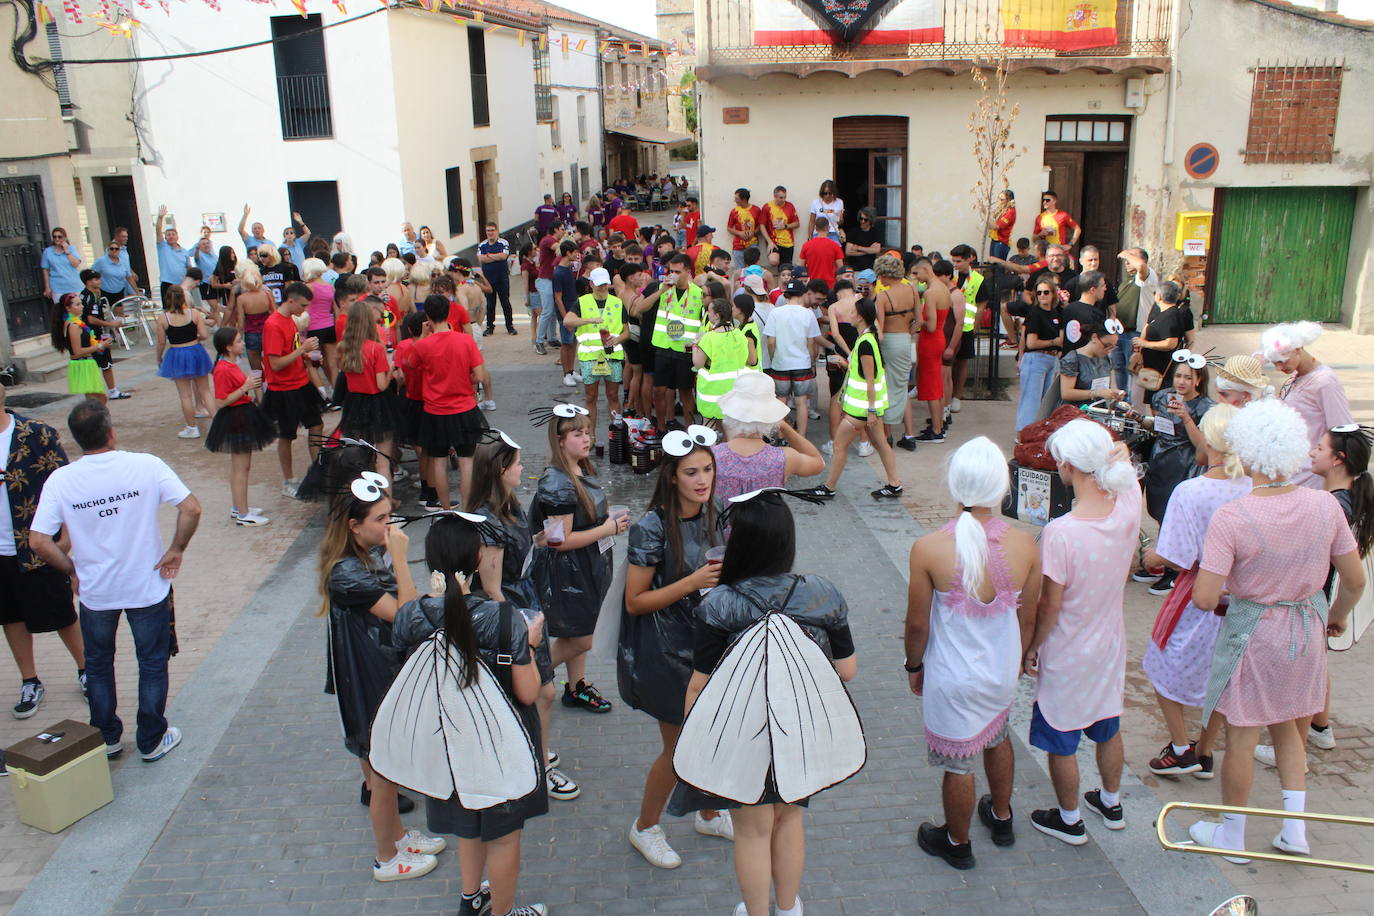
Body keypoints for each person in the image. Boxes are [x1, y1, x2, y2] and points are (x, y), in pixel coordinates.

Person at [1189, 399, 1365, 862]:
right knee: (1290, 730)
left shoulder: (1232, 516)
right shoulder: (1325, 506)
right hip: (1305, 629)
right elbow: (1355, 580)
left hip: (1255, 634)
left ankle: (1232, 835)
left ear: (1246, 453)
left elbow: (1205, 598)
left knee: (1243, 737)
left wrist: (1234, 591)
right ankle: (1295, 831)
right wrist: (1335, 615)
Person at [670, 489, 857, 916]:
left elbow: (700, 685)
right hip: (801, 729)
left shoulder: (718, 604)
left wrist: (695, 747)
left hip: (742, 735)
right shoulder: (823, 593)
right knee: (790, 818)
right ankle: (789, 908)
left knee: (752, 831)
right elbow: (846, 671)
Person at [388, 514, 547, 916]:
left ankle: (471, 898)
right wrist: (530, 645)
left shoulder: (414, 616)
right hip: (500, 747)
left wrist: (399, 562)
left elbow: (409, 621)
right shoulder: (504, 618)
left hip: (448, 747)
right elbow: (528, 693)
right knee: (505, 838)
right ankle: (505, 911)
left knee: (468, 827)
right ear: (479, 558)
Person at [30, 401, 201, 762]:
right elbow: (191, 508)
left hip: (96, 593)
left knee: (98, 664)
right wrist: (177, 549)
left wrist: (72, 570)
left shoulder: (61, 480)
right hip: (147, 586)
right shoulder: (145, 465)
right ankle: (152, 738)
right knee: (152, 663)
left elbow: (39, 541)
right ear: (111, 432)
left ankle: (106, 736)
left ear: (76, 439)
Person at [906, 437, 1040, 869]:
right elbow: (1028, 618)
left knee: (958, 763)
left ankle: (958, 843)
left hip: (951, 676)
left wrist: (913, 665)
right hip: (1001, 671)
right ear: (1003, 487)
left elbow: (917, 625)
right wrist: (1021, 660)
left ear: (954, 484)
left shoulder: (928, 548)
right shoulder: (1025, 545)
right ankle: (1002, 818)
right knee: (998, 737)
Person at [317, 474, 445, 881]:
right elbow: (405, 617)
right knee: (383, 772)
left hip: (381, 670)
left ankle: (399, 835)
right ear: (354, 526)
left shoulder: (368, 555)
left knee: (387, 768)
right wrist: (404, 559)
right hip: (368, 678)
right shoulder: (346, 573)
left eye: (390, 516)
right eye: (380, 519)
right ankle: (386, 857)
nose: (390, 527)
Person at [1024, 419, 1141, 845]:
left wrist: (1033, 645)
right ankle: (1111, 801)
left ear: (1069, 466)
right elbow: (1123, 455)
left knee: (1062, 736)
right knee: (1108, 725)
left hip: (1069, 650)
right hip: (1109, 642)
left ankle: (1069, 818)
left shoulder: (1062, 532)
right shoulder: (1129, 504)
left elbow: (1049, 604)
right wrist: (1111, 449)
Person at [621, 435, 733, 869]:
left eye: (707, 469)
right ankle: (645, 826)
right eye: (691, 472)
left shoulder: (716, 511)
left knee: (709, 737)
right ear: (671, 476)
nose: (703, 480)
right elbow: (634, 601)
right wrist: (693, 582)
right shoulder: (651, 526)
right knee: (678, 749)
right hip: (666, 652)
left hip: (708, 645)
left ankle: (707, 813)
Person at [465, 434, 579, 802]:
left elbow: (517, 552)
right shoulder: (489, 519)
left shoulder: (504, 506)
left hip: (524, 602)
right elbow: (494, 587)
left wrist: (541, 538)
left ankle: (534, 754)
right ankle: (539, 768)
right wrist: (522, 631)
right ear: (501, 469)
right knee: (541, 691)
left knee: (539, 691)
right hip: (515, 610)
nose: (521, 467)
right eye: (516, 463)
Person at [1139, 405, 1248, 780]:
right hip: (1240, 596)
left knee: (1160, 664)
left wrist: (1152, 554)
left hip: (1197, 591)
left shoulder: (1192, 491)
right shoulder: (1252, 486)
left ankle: (1181, 747)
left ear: (1212, 442)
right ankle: (1205, 749)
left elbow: (1176, 554)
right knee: (1221, 675)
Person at [528, 405, 627, 714]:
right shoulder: (557, 483)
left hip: (588, 566)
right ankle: (526, 675)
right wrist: (607, 528)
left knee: (579, 631)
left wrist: (604, 520)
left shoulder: (580, 468)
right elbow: (559, 542)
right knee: (585, 637)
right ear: (560, 440)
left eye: (587, 432)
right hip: (568, 572)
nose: (586, 439)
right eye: (577, 434)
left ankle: (575, 686)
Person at [0, 384, 84, 720]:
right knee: (10, 618)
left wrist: (66, 534)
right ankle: (30, 680)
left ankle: (86, 670)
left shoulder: (34, 434)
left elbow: (63, 483)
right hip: (1, 552)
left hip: (36, 545)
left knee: (62, 612)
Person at [809, 297, 903, 501]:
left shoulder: (865, 343)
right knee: (881, 445)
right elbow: (865, 374)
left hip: (861, 411)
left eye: (852, 312)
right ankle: (894, 484)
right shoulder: (867, 339)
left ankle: (829, 487)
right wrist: (845, 363)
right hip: (869, 409)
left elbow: (869, 380)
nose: (849, 315)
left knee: (839, 446)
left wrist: (869, 411)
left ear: (860, 316)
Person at [405, 294, 489, 511]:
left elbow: (410, 364)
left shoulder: (424, 345)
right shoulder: (465, 340)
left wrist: (422, 336)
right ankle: (468, 508)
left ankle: (445, 508)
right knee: (466, 462)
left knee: (439, 461)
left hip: (435, 410)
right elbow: (479, 376)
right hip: (464, 407)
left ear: (428, 317)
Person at [1261, 321, 1354, 488]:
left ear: (1298, 349)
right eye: (1274, 363)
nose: (1279, 368)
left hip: (1310, 474)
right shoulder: (1296, 377)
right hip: (1291, 468)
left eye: (1282, 361)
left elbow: (1342, 428)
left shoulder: (1325, 382)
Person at [712, 370, 824, 502]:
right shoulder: (784, 458)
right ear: (771, 416)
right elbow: (818, 462)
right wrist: (784, 426)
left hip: (723, 522)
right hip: (769, 521)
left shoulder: (712, 456)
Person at [205, 327, 274, 526]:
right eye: (238, 342)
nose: (242, 344)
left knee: (240, 466)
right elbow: (221, 401)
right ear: (228, 347)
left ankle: (239, 507)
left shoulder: (230, 364)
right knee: (241, 468)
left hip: (241, 414)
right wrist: (245, 387)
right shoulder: (223, 368)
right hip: (236, 417)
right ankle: (243, 514)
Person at [262, 281, 324, 496]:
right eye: (303, 306)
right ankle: (288, 480)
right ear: (291, 301)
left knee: (316, 424)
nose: (305, 310)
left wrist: (304, 354)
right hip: (283, 389)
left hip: (300, 383)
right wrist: (302, 350)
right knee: (287, 435)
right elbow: (275, 363)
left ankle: (317, 471)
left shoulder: (289, 320)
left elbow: (290, 350)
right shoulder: (274, 324)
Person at [1142, 357, 1213, 543]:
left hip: (1185, 466)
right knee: (1159, 510)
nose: (1181, 381)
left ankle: (1176, 564)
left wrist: (1186, 418)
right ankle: (1163, 559)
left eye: (1188, 378)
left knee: (1180, 517)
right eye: (1178, 376)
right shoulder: (1161, 397)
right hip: (1160, 462)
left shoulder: (1206, 407)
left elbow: (1202, 446)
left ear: (1199, 380)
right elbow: (1159, 427)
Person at [565, 268, 627, 452]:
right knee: (591, 397)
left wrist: (618, 339)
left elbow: (626, 331)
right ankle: (590, 437)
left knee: (613, 396)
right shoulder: (582, 302)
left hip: (612, 356)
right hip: (590, 357)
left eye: (605, 284)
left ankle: (617, 434)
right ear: (590, 284)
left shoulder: (617, 303)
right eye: (598, 284)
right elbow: (568, 321)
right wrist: (589, 320)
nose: (602, 287)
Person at [337, 299, 397, 479]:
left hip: (354, 402)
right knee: (383, 459)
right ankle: (385, 503)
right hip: (378, 404)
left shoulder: (344, 348)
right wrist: (391, 369)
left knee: (362, 456)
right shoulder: (375, 348)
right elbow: (381, 385)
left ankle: (367, 502)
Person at [652, 254, 705, 430]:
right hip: (664, 345)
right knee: (659, 390)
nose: (673, 274)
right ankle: (661, 428)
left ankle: (691, 429)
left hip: (686, 349)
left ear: (687, 272)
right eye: (671, 270)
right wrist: (662, 289)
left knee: (685, 392)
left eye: (677, 271)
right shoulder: (664, 288)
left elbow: (703, 324)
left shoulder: (698, 294)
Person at [764, 279, 821, 438]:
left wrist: (773, 356)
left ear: (786, 295)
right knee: (802, 402)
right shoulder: (808, 313)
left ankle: (781, 436)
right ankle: (801, 437)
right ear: (803, 294)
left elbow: (770, 340)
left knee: (781, 400)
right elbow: (811, 342)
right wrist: (812, 361)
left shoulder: (775, 312)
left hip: (780, 363)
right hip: (802, 363)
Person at [156, 286, 215, 440]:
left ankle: (191, 427)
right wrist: (195, 337)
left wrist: (159, 357)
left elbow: (161, 342)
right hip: (196, 351)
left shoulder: (163, 318)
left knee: (185, 395)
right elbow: (204, 334)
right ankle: (217, 424)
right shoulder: (194, 314)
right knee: (205, 391)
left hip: (176, 353)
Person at [694, 298, 754, 425]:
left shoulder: (709, 338)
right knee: (729, 432)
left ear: (716, 315)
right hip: (734, 394)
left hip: (712, 394)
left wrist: (695, 346)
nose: (707, 313)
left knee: (709, 430)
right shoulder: (739, 335)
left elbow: (698, 364)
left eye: (709, 311)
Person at [1043, 321, 1120, 419]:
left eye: (1113, 347)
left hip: (1099, 413)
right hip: (1075, 415)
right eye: (1106, 345)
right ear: (1094, 338)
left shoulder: (1106, 358)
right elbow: (1066, 393)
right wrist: (1097, 393)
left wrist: (1115, 394)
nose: (1109, 350)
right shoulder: (1073, 358)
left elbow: (1111, 386)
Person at [1015, 277, 1062, 432]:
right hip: (1036, 358)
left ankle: (1039, 433)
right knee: (1031, 401)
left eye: (1046, 292)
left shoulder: (1056, 313)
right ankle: (1024, 434)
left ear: (1053, 294)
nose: (1042, 295)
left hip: (1051, 359)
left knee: (1046, 402)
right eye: (1039, 292)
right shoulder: (1035, 313)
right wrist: (1054, 342)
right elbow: (1031, 342)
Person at [78, 270, 131, 401]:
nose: (99, 281)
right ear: (89, 282)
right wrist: (110, 324)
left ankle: (110, 390)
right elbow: (90, 319)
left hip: (97, 333)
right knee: (102, 362)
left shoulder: (92, 295)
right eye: (96, 279)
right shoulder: (89, 296)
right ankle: (107, 392)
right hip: (94, 334)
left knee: (104, 362)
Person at [1131, 280, 1188, 402]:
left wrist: (1145, 344)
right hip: (1153, 367)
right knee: (1153, 402)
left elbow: (1170, 343)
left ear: (1160, 296)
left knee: (1160, 403)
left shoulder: (1171, 316)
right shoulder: (1161, 312)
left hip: (1163, 369)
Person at [50, 293, 111, 403]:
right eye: (77, 304)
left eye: (81, 304)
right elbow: (77, 351)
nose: (82, 307)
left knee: (95, 399)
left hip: (86, 363)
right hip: (83, 364)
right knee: (99, 399)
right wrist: (100, 346)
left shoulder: (75, 323)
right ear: (68, 308)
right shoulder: (73, 326)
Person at [478, 223, 517, 336]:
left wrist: (489, 256)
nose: (490, 233)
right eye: (488, 230)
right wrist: (495, 256)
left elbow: (503, 256)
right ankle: (490, 327)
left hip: (502, 278)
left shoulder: (503, 242)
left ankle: (510, 326)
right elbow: (481, 258)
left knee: (505, 302)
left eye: (492, 230)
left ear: (497, 231)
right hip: (488, 280)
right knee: (490, 304)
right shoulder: (482, 244)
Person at [153, 207, 191, 300]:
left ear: (177, 236)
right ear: (165, 237)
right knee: (169, 310)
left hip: (181, 285)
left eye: (173, 234)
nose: (171, 236)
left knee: (183, 309)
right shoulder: (163, 247)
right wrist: (160, 217)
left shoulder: (184, 251)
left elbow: (188, 268)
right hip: (167, 284)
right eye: (168, 234)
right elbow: (158, 230)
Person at [40, 226, 84, 305]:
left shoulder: (72, 249)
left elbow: (76, 264)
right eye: (54, 237)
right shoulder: (48, 251)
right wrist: (47, 288)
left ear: (65, 237)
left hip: (74, 285)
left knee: (78, 311)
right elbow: (45, 270)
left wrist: (67, 251)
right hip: (58, 287)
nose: (57, 239)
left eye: (59, 237)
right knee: (62, 312)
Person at [762, 186, 800, 267]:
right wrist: (769, 242)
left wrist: (785, 226)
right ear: (775, 196)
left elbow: (797, 223)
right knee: (774, 261)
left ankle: (781, 275)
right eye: (781, 197)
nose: (783, 200)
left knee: (785, 268)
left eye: (785, 197)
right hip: (774, 241)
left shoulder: (790, 206)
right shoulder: (767, 207)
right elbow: (762, 225)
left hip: (788, 242)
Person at [726, 188, 762, 271]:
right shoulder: (734, 211)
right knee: (739, 270)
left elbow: (761, 225)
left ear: (744, 199)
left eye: (737, 198)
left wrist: (753, 232)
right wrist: (739, 233)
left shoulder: (756, 210)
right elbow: (729, 228)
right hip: (738, 245)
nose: (735, 200)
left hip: (752, 243)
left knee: (753, 269)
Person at [844, 207, 882, 273]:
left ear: (871, 220)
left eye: (866, 220)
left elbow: (876, 250)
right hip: (854, 269)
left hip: (870, 269)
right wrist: (868, 250)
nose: (863, 221)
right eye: (861, 219)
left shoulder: (876, 232)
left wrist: (858, 247)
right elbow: (848, 252)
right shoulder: (853, 232)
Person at [987, 190, 1016, 260]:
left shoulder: (1010, 212)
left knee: (998, 267)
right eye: (999, 198)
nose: (999, 201)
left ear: (1008, 200)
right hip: (995, 240)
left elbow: (996, 227)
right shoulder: (1002, 210)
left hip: (1001, 242)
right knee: (992, 265)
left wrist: (985, 214)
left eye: (1002, 199)